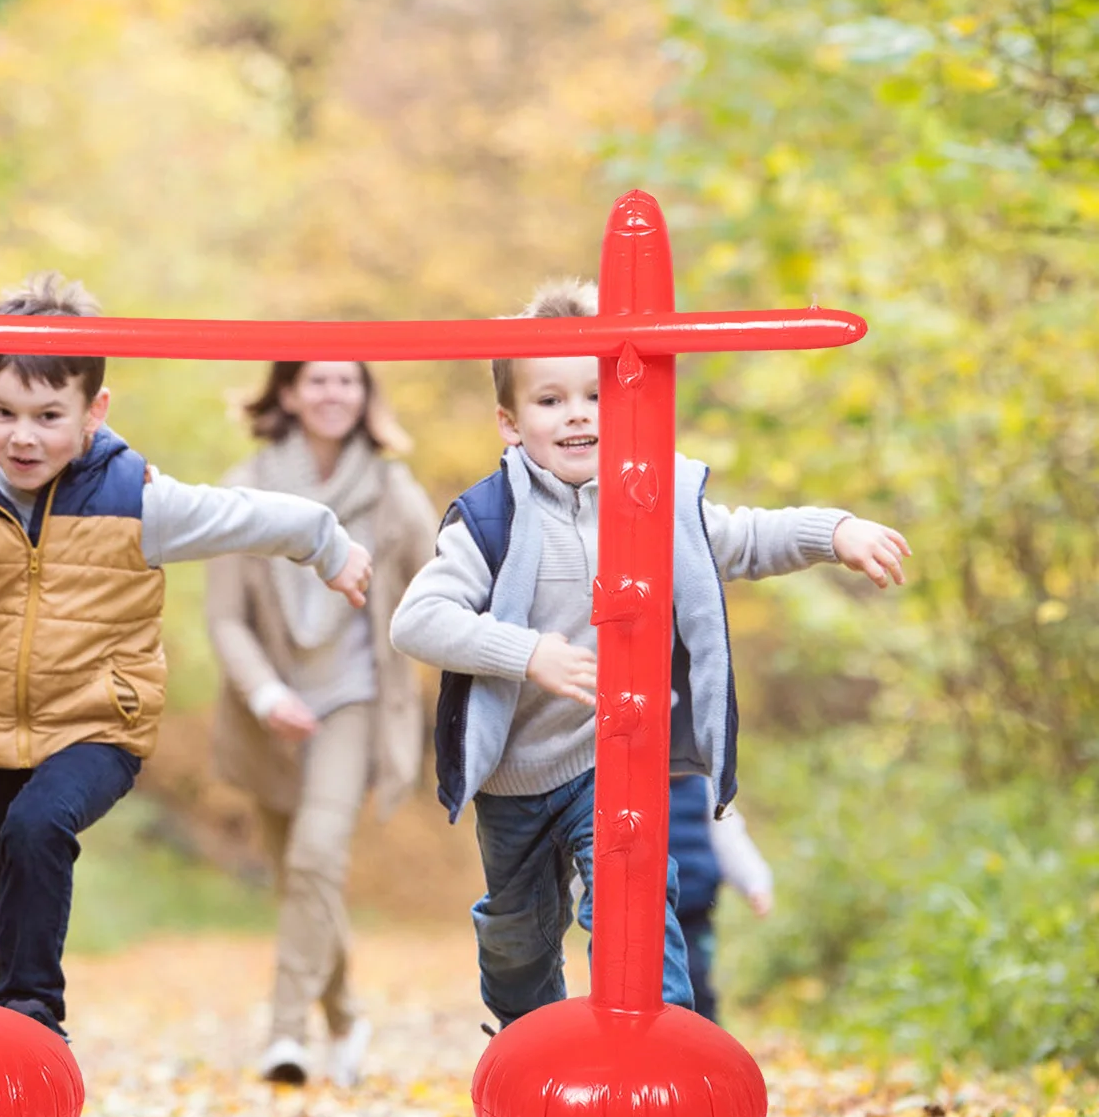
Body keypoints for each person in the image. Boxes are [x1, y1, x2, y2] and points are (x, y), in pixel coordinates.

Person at [0, 274, 373, 1044]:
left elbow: (246, 514)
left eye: (49, 417)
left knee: (38, 829)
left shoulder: (133, 497)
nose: (23, 437)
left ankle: (35, 1017)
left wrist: (328, 543)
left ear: (92, 412)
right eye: (3, 413)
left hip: (95, 724)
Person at [389, 276, 912, 1032]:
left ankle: (654, 1040)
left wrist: (835, 532)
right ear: (509, 421)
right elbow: (418, 621)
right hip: (516, 773)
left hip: (615, 757)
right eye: (550, 400)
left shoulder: (656, 502)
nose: (577, 414)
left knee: (634, 900)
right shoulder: (488, 519)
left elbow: (746, 537)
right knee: (518, 940)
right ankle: (529, 1045)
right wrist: (528, 652)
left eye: (596, 395)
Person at [206, 362, 437, 1088]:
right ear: (286, 393)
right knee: (297, 876)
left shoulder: (393, 491)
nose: (333, 394)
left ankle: (285, 1035)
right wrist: (267, 692)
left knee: (316, 857)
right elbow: (223, 618)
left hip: (355, 700)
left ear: (367, 396)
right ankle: (346, 1017)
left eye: (348, 382)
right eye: (317, 381)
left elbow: (443, 585)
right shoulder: (242, 488)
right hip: (269, 707)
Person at [668, 773, 772, 1024]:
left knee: (696, 980)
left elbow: (731, 840)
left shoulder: (705, 789)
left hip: (693, 914)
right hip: (646, 914)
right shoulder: (634, 784)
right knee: (655, 986)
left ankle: (707, 1044)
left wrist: (756, 883)